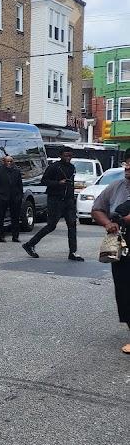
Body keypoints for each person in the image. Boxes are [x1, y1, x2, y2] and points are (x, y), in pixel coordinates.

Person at [91, 151, 130, 354]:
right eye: (126, 164)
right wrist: (108, 223)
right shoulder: (116, 186)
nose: (127, 168)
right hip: (122, 246)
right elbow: (97, 209)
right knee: (124, 290)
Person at [23, 147, 82, 260]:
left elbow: (71, 184)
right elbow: (44, 181)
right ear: (60, 155)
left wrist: (72, 198)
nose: (68, 158)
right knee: (51, 226)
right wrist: (58, 183)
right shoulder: (54, 167)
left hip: (68, 200)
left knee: (72, 225)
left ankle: (73, 252)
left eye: (70, 155)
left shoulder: (72, 167)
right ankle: (30, 244)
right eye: (66, 155)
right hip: (55, 199)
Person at [0, 155, 24, 242]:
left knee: (15, 218)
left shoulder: (16, 171)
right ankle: (1, 236)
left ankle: (15, 236)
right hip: (3, 197)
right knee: (1, 217)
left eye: (11, 161)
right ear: (4, 162)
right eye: (7, 161)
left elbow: (20, 185)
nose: (9, 163)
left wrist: (20, 196)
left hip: (15, 198)